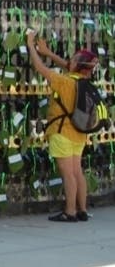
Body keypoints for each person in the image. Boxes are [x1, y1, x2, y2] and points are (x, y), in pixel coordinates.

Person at [25, 28, 97, 222]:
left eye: (72, 60)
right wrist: (48, 53)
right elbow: (67, 65)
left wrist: (31, 45)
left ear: (76, 65)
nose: (69, 61)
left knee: (68, 175)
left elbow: (40, 69)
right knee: (77, 172)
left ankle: (70, 212)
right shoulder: (84, 81)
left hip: (61, 131)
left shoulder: (64, 82)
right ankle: (82, 210)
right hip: (79, 133)